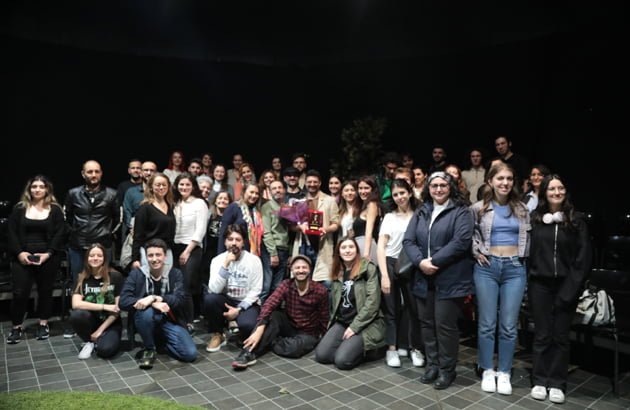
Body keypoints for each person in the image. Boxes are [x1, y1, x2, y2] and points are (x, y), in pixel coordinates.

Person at [403, 171, 474, 390]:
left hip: (450, 277)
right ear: (428, 188)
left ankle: (447, 370)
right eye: (434, 185)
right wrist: (420, 262)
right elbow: (408, 240)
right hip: (423, 277)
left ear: (451, 187)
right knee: (426, 323)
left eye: (443, 185)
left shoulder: (461, 211)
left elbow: (461, 241)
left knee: (445, 326)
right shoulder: (422, 210)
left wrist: (433, 261)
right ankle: (432, 365)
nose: (439, 189)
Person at [527, 174, 592, 404]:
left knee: (561, 336)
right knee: (542, 334)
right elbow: (529, 253)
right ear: (544, 193)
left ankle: (556, 383)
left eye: (560, 188)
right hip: (539, 285)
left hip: (566, 285)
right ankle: (539, 380)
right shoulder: (535, 219)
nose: (557, 192)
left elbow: (583, 259)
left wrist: (570, 289)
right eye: (552, 189)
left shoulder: (576, 220)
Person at [470, 162, 530, 395]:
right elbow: (470, 235)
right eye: (500, 178)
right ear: (490, 181)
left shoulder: (522, 209)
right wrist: (476, 252)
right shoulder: (478, 208)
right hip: (487, 268)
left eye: (509, 179)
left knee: (509, 325)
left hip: (515, 268)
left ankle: (504, 371)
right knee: (487, 324)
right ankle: (487, 369)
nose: (505, 183)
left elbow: (529, 240)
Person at [231, 255, 329, 369]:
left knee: (294, 349)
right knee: (273, 315)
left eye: (304, 267)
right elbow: (269, 303)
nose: (301, 270)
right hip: (290, 326)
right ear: (291, 270)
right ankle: (248, 353)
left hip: (308, 332)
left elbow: (324, 316)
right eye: (297, 268)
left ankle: (268, 341)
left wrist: (323, 338)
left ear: (309, 269)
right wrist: (259, 329)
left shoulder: (320, 290)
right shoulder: (286, 284)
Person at [119, 238, 197, 369]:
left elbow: (179, 300)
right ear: (146, 257)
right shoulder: (136, 274)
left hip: (169, 321)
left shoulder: (175, 273)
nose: (154, 259)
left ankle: (159, 344)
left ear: (165, 256)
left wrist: (154, 298)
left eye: (158, 255)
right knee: (146, 312)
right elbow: (123, 301)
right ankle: (149, 348)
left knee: (190, 354)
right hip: (146, 319)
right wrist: (152, 303)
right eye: (150, 255)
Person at [6, 175, 66, 344]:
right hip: (22, 257)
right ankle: (16, 326)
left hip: (47, 257)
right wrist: (20, 253)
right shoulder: (19, 208)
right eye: (34, 186)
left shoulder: (55, 209)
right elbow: (11, 233)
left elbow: (60, 233)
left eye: (41, 186)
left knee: (45, 291)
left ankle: (43, 324)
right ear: (29, 189)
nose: (37, 189)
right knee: (19, 293)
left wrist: (48, 253)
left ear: (47, 189)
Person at [314, 236, 385, 370]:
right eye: (343, 248)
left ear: (356, 250)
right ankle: (348, 347)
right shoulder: (338, 272)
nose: (347, 250)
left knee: (342, 361)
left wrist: (354, 327)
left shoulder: (367, 268)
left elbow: (373, 302)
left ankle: (370, 350)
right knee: (322, 355)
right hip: (343, 321)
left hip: (365, 324)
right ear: (339, 252)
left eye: (351, 247)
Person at [377, 179, 424, 368]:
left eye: (402, 193)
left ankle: (415, 348)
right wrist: (384, 275)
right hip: (390, 263)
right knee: (391, 309)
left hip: (411, 265)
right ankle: (392, 349)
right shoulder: (389, 217)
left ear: (410, 193)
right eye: (395, 194)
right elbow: (381, 247)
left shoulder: (419, 215)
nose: (399, 197)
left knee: (414, 309)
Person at [204, 224, 263, 353]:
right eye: (230, 239)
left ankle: (240, 331)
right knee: (210, 299)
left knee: (248, 325)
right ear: (225, 242)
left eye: (238, 239)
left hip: (246, 303)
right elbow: (214, 289)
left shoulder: (254, 261)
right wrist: (225, 265)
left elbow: (256, 290)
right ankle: (218, 334)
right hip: (227, 300)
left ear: (243, 242)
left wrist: (238, 309)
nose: (234, 243)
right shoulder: (217, 260)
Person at [70, 243, 123, 360]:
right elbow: (76, 304)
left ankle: (100, 339)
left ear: (104, 258)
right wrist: (104, 306)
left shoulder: (115, 276)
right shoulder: (81, 278)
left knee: (105, 351)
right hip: (91, 321)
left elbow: (117, 309)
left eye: (99, 255)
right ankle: (89, 342)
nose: (95, 258)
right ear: (87, 258)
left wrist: (100, 330)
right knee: (77, 314)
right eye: (92, 255)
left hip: (110, 323)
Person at [260, 180, 290, 303]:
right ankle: (259, 310)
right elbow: (266, 232)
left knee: (277, 286)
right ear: (270, 191)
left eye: (280, 187)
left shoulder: (287, 207)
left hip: (284, 249)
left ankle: (271, 311)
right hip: (271, 249)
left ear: (284, 190)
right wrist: (273, 253)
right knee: (266, 285)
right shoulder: (267, 207)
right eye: (274, 188)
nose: (277, 190)